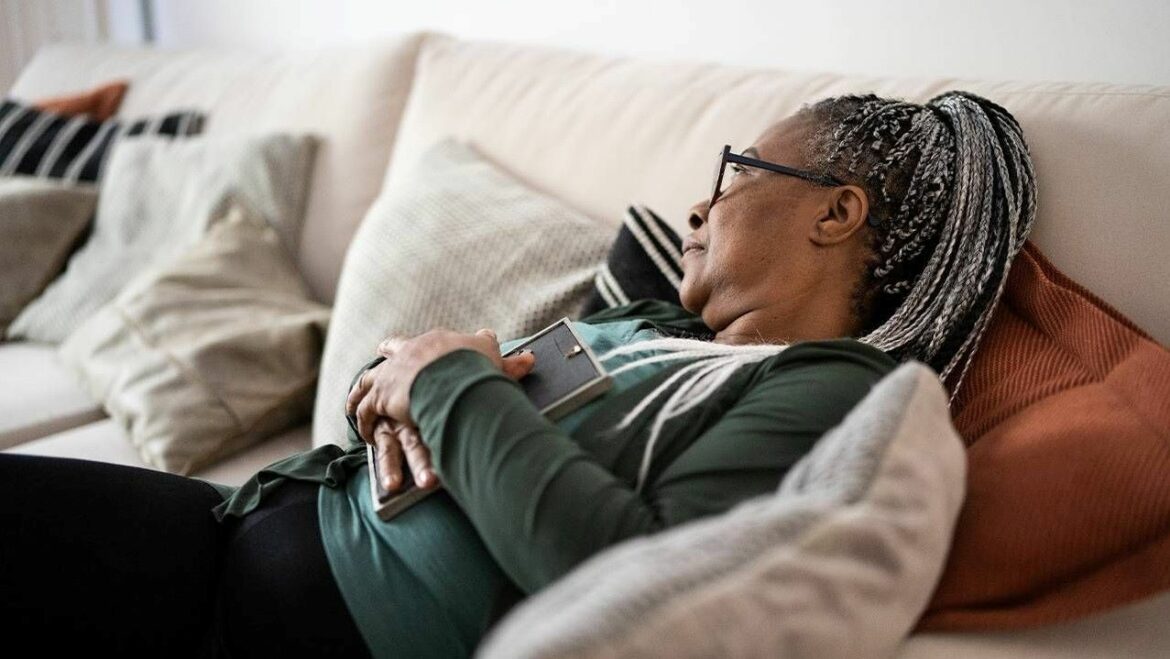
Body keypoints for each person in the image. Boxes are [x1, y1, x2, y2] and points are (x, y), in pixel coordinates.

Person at [0, 90, 1035, 657]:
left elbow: (623, 570)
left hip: (305, 624)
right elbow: (420, 382)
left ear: (835, 209)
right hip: (234, 526)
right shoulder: (648, 319)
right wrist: (402, 378)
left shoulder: (834, 388)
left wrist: (447, 381)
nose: (697, 207)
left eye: (734, 174)